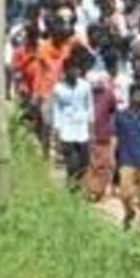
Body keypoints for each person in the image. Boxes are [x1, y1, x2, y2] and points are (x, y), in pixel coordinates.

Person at [113, 83, 140, 229]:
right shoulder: (121, 116)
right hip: (127, 160)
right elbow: (115, 137)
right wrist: (112, 156)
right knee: (124, 194)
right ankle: (129, 211)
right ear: (130, 96)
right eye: (137, 94)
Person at [51, 60, 94, 191]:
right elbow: (56, 110)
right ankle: (72, 189)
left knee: (85, 163)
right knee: (72, 163)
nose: (75, 72)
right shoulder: (58, 88)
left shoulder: (85, 86)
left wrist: (91, 127)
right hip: (67, 129)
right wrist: (57, 131)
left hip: (82, 130)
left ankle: (76, 183)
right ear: (66, 71)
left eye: (77, 69)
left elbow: (90, 107)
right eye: (71, 70)